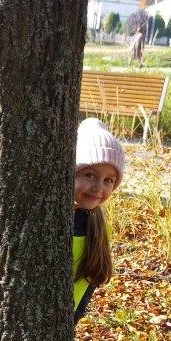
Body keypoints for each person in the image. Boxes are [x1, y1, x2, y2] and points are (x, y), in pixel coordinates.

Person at [73, 117, 125, 324]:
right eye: (89, 175)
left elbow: (88, 286)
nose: (98, 188)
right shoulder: (48, 220)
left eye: (108, 180)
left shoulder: (101, 229)